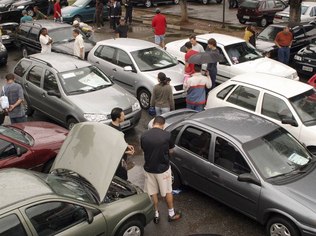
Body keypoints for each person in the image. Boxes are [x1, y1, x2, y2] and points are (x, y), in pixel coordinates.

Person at [140, 116, 182, 224]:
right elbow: (171, 150)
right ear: (163, 125)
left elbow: (144, 149)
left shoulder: (144, 135)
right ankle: (171, 214)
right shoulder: (167, 135)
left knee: (152, 192)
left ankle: (156, 214)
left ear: (154, 123)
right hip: (163, 169)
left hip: (149, 168)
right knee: (168, 191)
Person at [109, 107, 135, 180]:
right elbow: (112, 150)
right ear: (118, 118)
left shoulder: (117, 126)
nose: (124, 117)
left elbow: (120, 141)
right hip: (118, 162)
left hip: (122, 159)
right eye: (123, 116)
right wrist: (127, 152)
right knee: (122, 177)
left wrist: (126, 145)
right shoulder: (112, 131)